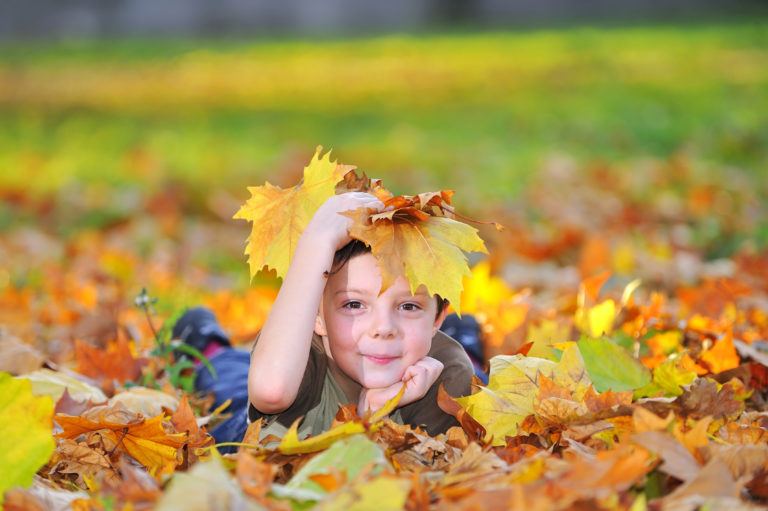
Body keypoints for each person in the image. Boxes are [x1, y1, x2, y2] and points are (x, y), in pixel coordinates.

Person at [175, 192, 479, 449]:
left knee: (476, 377)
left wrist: (373, 417)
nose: (383, 328)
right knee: (234, 381)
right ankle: (212, 350)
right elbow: (271, 391)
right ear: (315, 316)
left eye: (409, 306)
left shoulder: (446, 377)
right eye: (355, 304)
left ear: (438, 316)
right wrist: (317, 240)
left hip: (429, 353)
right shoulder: (302, 357)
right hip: (253, 423)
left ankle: (466, 345)